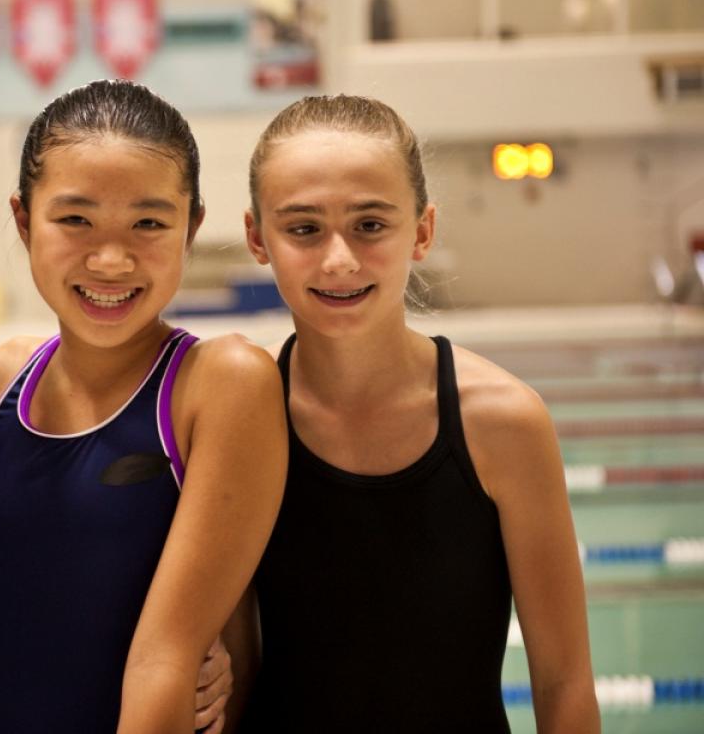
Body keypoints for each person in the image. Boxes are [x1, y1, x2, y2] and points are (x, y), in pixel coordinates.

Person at [234, 94, 600, 732]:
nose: (339, 259)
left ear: (423, 230)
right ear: (256, 238)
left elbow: (564, 682)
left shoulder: (502, 423)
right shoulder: (237, 414)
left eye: (370, 225)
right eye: (303, 228)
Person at [0, 80, 288, 734]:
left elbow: (167, 660)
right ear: (23, 220)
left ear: (191, 227)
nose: (110, 257)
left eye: (149, 223)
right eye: (75, 220)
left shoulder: (220, 383)